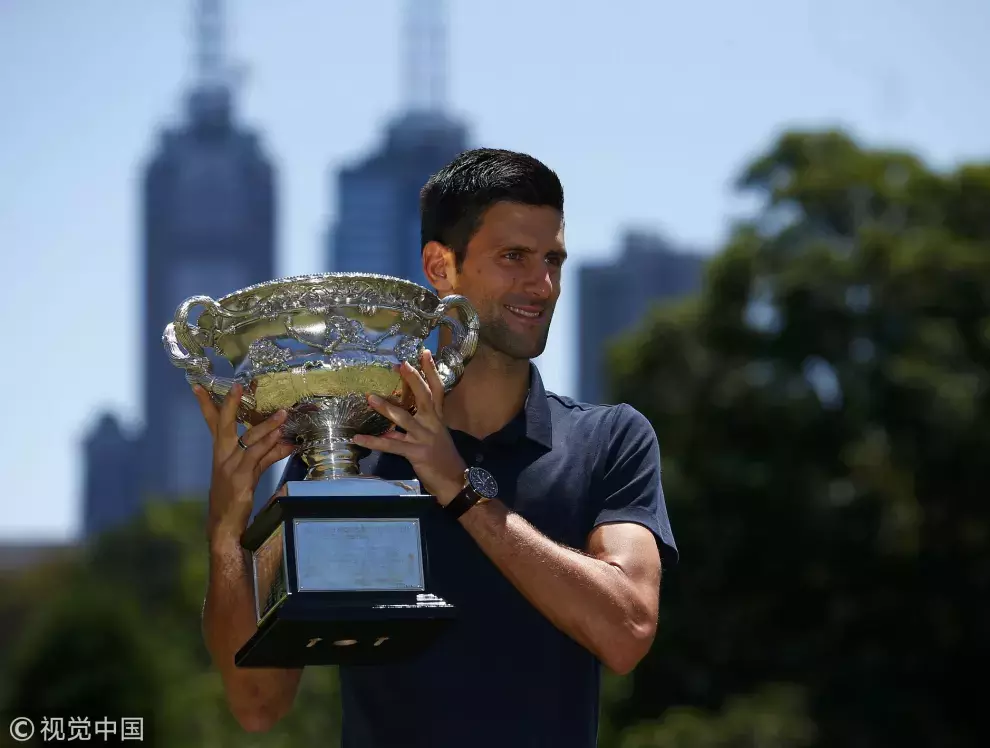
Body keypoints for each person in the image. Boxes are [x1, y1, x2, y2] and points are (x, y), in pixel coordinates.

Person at [192, 148, 678, 747]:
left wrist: (459, 489)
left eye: (553, 259)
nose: (542, 283)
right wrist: (224, 528)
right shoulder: (347, 451)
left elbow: (627, 630)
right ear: (440, 268)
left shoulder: (610, 440)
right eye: (514, 257)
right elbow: (258, 703)